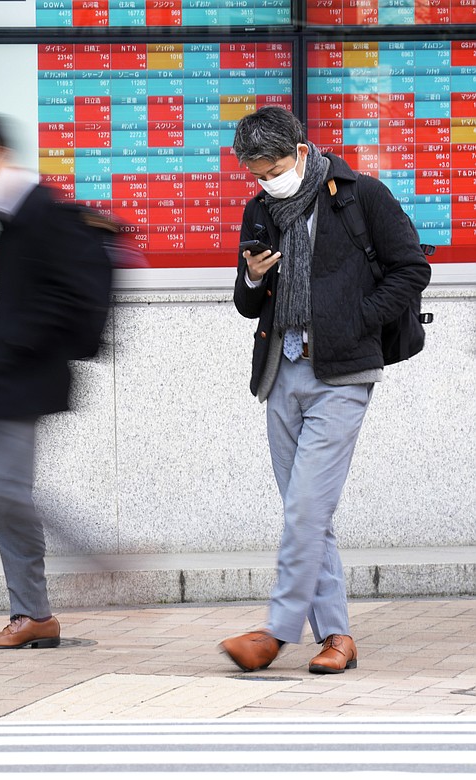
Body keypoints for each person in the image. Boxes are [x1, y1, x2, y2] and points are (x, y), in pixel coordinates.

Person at [220, 106, 431, 674]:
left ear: (302, 150)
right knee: (306, 513)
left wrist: (358, 318)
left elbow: (411, 269)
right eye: (257, 174)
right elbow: (246, 304)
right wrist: (255, 276)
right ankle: (337, 636)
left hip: (341, 373)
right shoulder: (259, 209)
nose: (266, 181)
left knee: (305, 509)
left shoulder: (360, 196)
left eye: (273, 168)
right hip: (280, 373)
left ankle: (276, 632)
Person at [0, 115, 110, 649]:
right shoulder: (10, 213)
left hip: (26, 378)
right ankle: (33, 614)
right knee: (3, 500)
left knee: (10, 495)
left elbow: (69, 295)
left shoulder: (39, 210)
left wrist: (23, 346)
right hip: (8, 378)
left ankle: (92, 557)